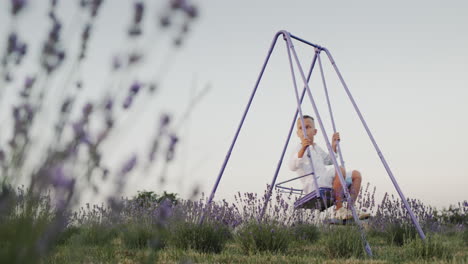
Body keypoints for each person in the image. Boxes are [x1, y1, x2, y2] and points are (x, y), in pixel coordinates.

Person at [289, 115, 370, 220]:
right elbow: (292, 166)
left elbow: (329, 160)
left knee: (356, 174)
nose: (304, 130)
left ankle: (350, 208)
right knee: (340, 170)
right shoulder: (298, 148)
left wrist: (333, 146)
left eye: (308, 127)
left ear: (315, 131)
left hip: (325, 179)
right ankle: (339, 209)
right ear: (297, 133)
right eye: (301, 128)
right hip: (314, 184)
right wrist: (303, 149)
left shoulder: (316, 148)